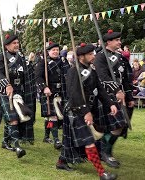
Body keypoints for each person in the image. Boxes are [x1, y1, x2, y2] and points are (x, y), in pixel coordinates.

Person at [56, 43, 118, 180]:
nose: (93, 56)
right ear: (81, 57)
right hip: (76, 110)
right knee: (89, 141)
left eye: (93, 53)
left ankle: (61, 161)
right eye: (90, 54)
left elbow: (100, 90)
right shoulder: (73, 72)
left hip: (88, 110)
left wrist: (111, 104)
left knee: (70, 141)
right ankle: (102, 173)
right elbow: (74, 94)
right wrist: (85, 111)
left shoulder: (92, 71)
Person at [94, 29, 133, 168]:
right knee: (116, 125)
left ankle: (103, 150)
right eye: (117, 40)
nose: (120, 42)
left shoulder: (121, 57)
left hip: (121, 96)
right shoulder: (100, 56)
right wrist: (116, 90)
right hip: (107, 97)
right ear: (108, 41)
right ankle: (105, 153)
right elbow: (102, 76)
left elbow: (126, 78)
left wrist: (129, 96)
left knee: (120, 126)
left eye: (119, 40)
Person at [0, 34, 35, 158]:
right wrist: (7, 84)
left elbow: (24, 74)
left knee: (16, 117)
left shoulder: (20, 57)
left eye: (17, 42)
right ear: (7, 45)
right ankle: (17, 146)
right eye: (14, 43)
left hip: (18, 91)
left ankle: (5, 142)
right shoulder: (1, 57)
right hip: (5, 91)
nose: (16, 44)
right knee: (13, 118)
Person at [36, 42, 70, 149]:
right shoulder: (43, 62)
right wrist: (44, 87)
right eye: (53, 50)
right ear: (48, 52)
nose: (55, 52)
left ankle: (46, 136)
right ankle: (56, 140)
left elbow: (68, 74)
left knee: (50, 118)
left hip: (61, 92)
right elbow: (38, 76)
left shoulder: (63, 61)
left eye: (57, 50)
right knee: (52, 116)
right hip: (48, 92)